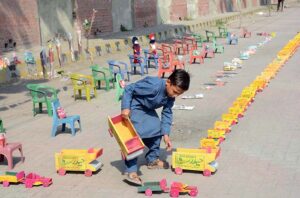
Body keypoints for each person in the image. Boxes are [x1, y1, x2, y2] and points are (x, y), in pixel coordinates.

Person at [121, 69, 190, 185]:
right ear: (168, 82)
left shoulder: (170, 96)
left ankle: (152, 160)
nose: (175, 95)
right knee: (136, 135)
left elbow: (167, 113)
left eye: (179, 94)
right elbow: (129, 88)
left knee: (158, 129)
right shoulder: (153, 85)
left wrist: (166, 135)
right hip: (135, 106)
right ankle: (131, 170)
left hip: (147, 109)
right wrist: (125, 107)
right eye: (175, 91)